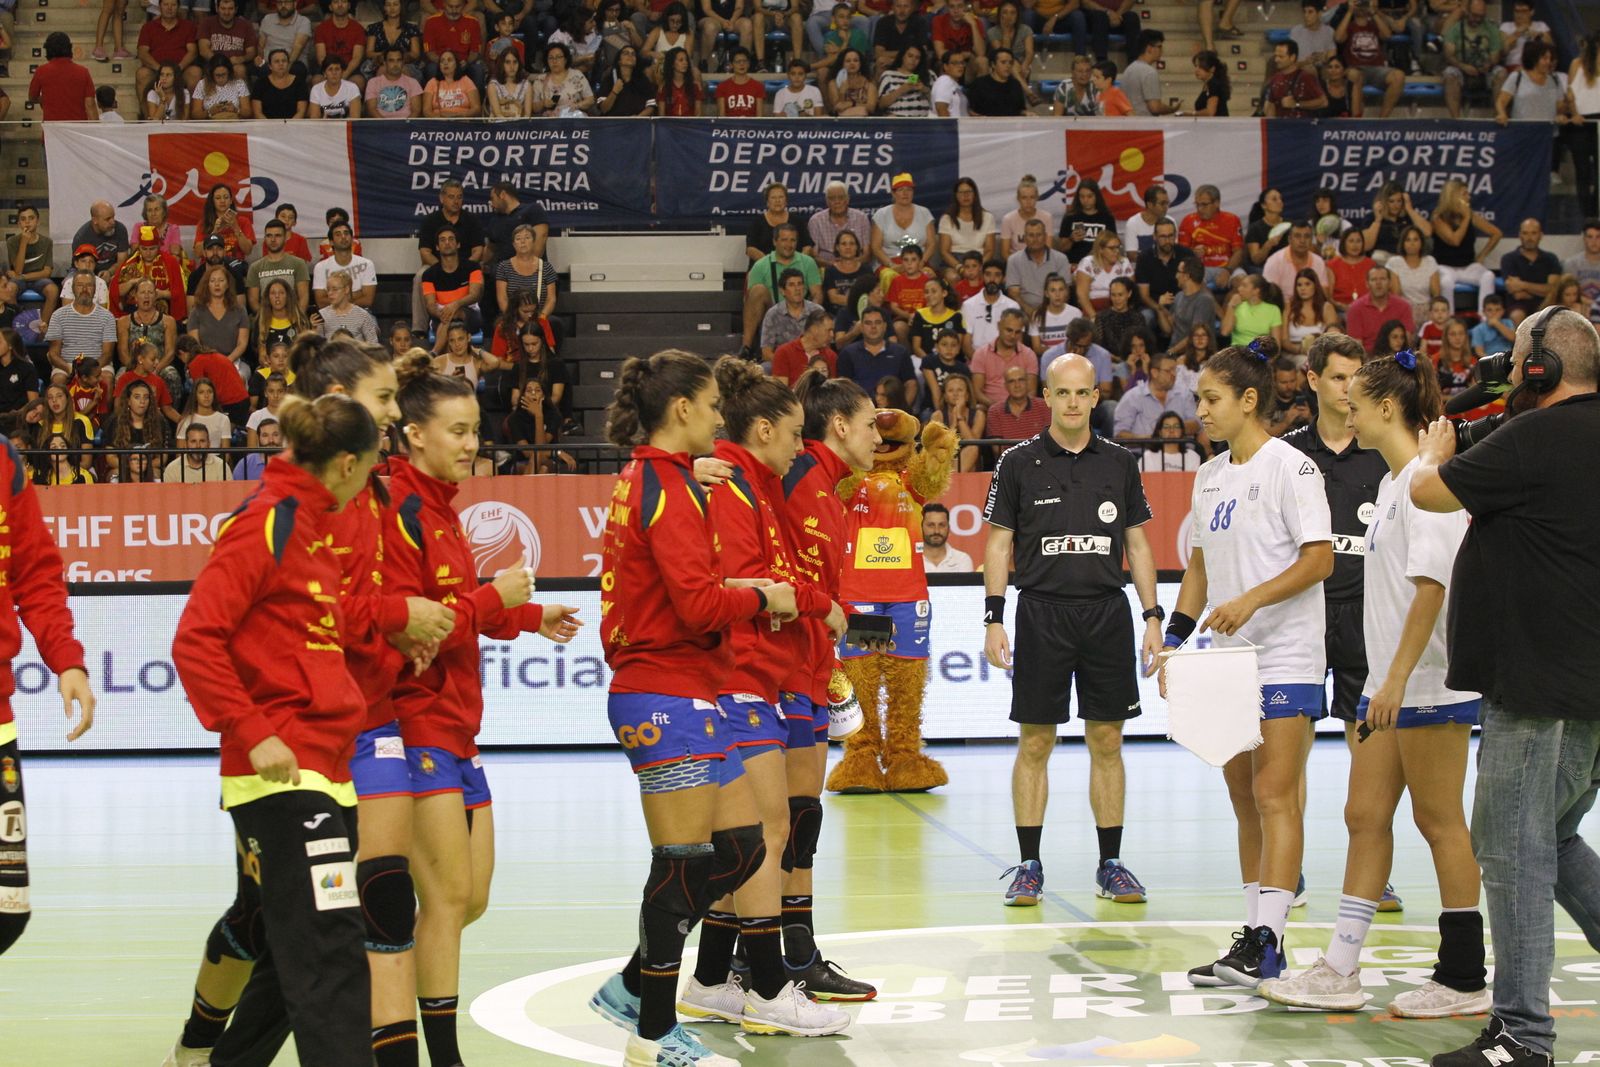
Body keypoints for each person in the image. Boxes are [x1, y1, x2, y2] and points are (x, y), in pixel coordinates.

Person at [585, 349, 803, 1067]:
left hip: (690, 689)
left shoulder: (652, 476)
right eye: (712, 407)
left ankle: (629, 981)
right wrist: (762, 595)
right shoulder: (667, 487)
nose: (720, 418)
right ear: (682, 410)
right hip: (662, 691)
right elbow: (700, 602)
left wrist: (692, 477)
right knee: (680, 865)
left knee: (739, 846)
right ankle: (653, 1032)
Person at [1260, 347, 1488, 1018]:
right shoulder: (1392, 485)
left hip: (1428, 682)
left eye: (1356, 401)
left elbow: (1431, 591)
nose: (1346, 411)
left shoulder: (1428, 481)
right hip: (1390, 685)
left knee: (1440, 820)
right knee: (1364, 817)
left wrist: (1389, 680)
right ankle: (1341, 965)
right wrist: (1380, 685)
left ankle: (1465, 976)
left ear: (1387, 406)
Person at [375, 356, 579, 1067]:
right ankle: (438, 1051)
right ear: (413, 436)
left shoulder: (442, 510)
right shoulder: (400, 511)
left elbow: (462, 614)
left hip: (461, 726)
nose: (470, 443)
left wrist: (527, 611)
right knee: (447, 897)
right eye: (456, 431)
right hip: (417, 721)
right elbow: (420, 622)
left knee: (470, 899)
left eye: (474, 431)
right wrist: (495, 597)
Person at [1410, 308, 1600, 1067]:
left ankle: (1525, 1035)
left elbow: (1429, 493)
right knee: (1551, 834)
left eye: (1516, 357)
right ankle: (1521, 1028)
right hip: (1586, 683)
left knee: (1512, 850)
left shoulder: (1531, 439)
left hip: (1533, 679)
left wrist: (1431, 451)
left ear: (1539, 369)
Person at [170, 393, 382, 1066]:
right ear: (347, 465)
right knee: (332, 955)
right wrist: (252, 728)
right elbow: (195, 638)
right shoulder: (267, 523)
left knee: (289, 960)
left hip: (325, 769)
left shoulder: (313, 528)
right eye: (372, 469)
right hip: (283, 777)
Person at [675, 358, 853, 1040]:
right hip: (738, 676)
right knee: (763, 832)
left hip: (761, 674)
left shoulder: (753, 484)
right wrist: (818, 603)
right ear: (762, 428)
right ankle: (767, 983)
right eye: (793, 434)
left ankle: (715, 977)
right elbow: (755, 579)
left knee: (757, 833)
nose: (800, 448)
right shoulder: (729, 484)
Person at [1162, 336, 1334, 988]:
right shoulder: (1209, 476)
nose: (1199, 409)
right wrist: (1174, 639)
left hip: (1287, 654)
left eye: (1211, 398)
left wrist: (1252, 600)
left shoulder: (1292, 468)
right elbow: (1200, 567)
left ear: (1249, 399)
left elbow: (1320, 558)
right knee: (1243, 798)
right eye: (1199, 398)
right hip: (1229, 661)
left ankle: (1272, 940)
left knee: (1273, 793)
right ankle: (1252, 936)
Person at [985, 353, 1164, 908]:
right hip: (1040, 612)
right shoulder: (1016, 463)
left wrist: (1153, 615)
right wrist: (993, 616)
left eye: (1081, 394)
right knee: (1035, 741)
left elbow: (1137, 544)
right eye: (1061, 393)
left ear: (1094, 397)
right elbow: (996, 544)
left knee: (1107, 740)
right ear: (1047, 396)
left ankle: (1110, 864)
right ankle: (1029, 866)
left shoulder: (1119, 462)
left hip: (1106, 613)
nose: (1071, 403)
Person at [1431, 178, 1502, 315]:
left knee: (1488, 276)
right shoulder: (1438, 217)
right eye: (1464, 194)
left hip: (1467, 265)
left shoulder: (1471, 216)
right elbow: (1455, 240)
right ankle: (1448, 320)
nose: (1468, 197)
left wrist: (1482, 255)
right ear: (1453, 195)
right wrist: (1467, 218)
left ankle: (1485, 318)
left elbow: (1496, 233)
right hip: (1445, 266)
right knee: (1446, 282)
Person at [1441, 0, 1503, 119]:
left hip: (1485, 71)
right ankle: (1456, 121)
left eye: (1481, 16)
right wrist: (1463, 66)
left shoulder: (1492, 29)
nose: (1478, 19)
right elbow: (1449, 56)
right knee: (1449, 74)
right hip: (1462, 69)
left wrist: (1488, 64)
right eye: (1475, 15)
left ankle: (1498, 116)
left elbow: (1495, 56)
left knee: (1501, 73)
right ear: (1467, 12)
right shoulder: (1455, 29)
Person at [1115, 352, 1198, 438]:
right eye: (1168, 371)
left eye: (1175, 370)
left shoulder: (1185, 394)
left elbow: (1197, 424)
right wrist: (1152, 439)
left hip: (1182, 450)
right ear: (1154, 373)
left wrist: (1174, 427)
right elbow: (1120, 434)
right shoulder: (1132, 397)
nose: (1174, 374)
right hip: (1142, 449)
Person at [1179, 185, 1244, 293]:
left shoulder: (1232, 220)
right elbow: (1181, 254)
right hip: (1200, 269)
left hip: (1228, 267)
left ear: (1217, 203)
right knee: (1194, 286)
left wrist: (1228, 271)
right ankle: (1216, 310)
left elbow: (1238, 252)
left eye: (1204, 205)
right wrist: (1193, 253)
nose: (1200, 209)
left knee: (1243, 284)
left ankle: (1226, 310)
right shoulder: (1188, 221)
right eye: (1197, 205)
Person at [5, 207, 57, 331]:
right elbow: (17, 270)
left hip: (39, 279)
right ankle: (19, 326)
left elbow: (47, 272)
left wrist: (23, 276)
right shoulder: (12, 241)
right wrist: (23, 242)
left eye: (31, 218)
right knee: (10, 289)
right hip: (19, 281)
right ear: (18, 224)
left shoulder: (46, 242)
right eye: (23, 219)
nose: (27, 222)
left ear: (38, 221)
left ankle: (42, 328)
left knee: (53, 290)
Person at [971, 308, 1036, 407]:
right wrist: (999, 409)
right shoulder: (981, 354)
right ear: (999, 326)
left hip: (1022, 410)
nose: (1013, 336)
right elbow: (977, 392)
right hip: (990, 409)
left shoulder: (1029, 355)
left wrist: (1016, 408)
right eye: (1009, 330)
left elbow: (1031, 391)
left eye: (1017, 332)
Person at [1498, 217, 1562, 318]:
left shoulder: (1551, 259)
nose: (1529, 238)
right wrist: (1541, 290)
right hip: (1518, 304)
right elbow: (1516, 292)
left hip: (1546, 304)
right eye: (1525, 233)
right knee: (1517, 315)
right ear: (1520, 235)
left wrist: (1522, 285)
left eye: (1533, 233)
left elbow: (1552, 289)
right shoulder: (1508, 259)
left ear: (1540, 235)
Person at [1007, 220, 1072, 316]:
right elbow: (1014, 293)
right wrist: (1031, 312)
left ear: (1045, 236)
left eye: (1039, 235)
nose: (1035, 239)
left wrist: (1049, 313)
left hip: (1055, 310)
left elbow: (1065, 291)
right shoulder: (1013, 260)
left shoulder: (1061, 259)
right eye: (1031, 235)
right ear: (1024, 238)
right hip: (1025, 312)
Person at [29, 32, 97, 120]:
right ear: (69, 48)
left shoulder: (41, 71)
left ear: (48, 50)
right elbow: (90, 104)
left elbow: (32, 98)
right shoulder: (83, 72)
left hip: (52, 129)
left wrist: (47, 99)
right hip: (77, 129)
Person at [1346, 265, 1415, 352]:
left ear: (1390, 283)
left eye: (1382, 279)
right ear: (1367, 284)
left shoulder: (1404, 306)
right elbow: (1355, 346)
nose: (1378, 283)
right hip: (1367, 359)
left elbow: (1406, 341)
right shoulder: (1355, 308)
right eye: (1374, 279)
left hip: (1396, 358)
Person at [920, 503, 971, 572]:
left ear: (949, 528)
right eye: (931, 525)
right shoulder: (911, 560)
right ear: (921, 527)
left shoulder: (962, 560)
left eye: (942, 525)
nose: (936, 531)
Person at [1190, 49, 1230, 115]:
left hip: (1216, 125)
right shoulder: (1209, 84)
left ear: (1212, 69)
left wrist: (1189, 114)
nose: (1196, 70)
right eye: (1196, 66)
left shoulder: (1214, 84)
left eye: (1201, 67)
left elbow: (1210, 112)